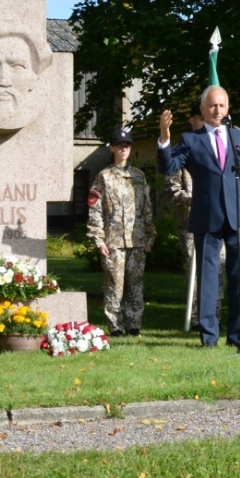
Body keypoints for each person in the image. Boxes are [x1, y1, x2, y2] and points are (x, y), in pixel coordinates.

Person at [157, 86, 240, 353]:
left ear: (228, 108)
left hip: (239, 217)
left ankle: (237, 337)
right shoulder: (191, 140)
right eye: (212, 106)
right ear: (203, 109)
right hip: (207, 217)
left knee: (238, 277)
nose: (217, 110)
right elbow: (168, 167)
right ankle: (208, 337)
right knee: (208, 279)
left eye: (222, 105)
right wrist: (164, 139)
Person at [87, 129, 155, 336]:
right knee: (114, 285)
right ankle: (115, 326)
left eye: (127, 145)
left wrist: (151, 236)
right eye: (119, 145)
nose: (123, 149)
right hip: (113, 241)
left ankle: (134, 325)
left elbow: (147, 208)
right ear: (112, 148)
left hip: (137, 240)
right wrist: (98, 240)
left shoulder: (139, 176)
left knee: (136, 285)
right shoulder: (104, 177)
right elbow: (95, 209)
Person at [165, 105, 204, 271]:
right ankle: (195, 299)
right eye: (201, 119)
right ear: (192, 120)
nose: (205, 122)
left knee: (218, 267)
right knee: (194, 268)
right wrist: (193, 200)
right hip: (190, 224)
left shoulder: (218, 149)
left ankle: (214, 299)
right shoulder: (181, 151)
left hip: (215, 222)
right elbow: (171, 190)